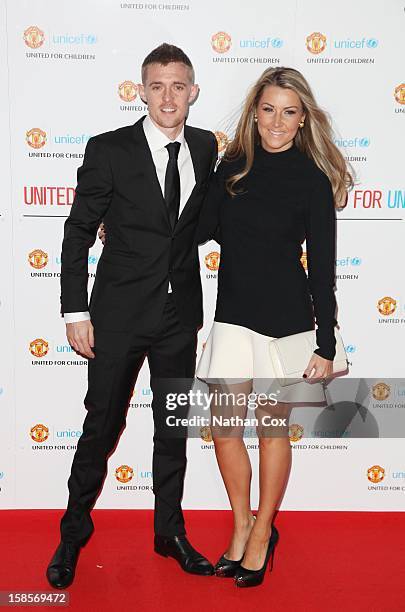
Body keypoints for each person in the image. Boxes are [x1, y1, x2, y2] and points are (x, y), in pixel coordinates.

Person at [46, 43, 218, 589]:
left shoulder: (207, 146)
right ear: (140, 91)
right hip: (117, 315)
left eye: (178, 85)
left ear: (193, 92)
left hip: (178, 316)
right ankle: (72, 533)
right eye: (157, 85)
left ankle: (169, 532)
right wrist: (75, 310)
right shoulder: (109, 149)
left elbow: (200, 221)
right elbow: (78, 231)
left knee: (171, 428)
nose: (168, 96)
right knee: (102, 425)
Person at [196, 66, 353, 588]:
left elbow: (324, 267)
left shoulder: (311, 179)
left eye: (289, 111)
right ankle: (240, 524)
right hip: (232, 318)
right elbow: (200, 228)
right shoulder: (234, 164)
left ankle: (263, 532)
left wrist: (326, 344)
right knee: (223, 432)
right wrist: (132, 225)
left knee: (269, 433)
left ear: (303, 117)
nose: (277, 122)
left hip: (286, 323)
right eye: (268, 109)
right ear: (255, 112)